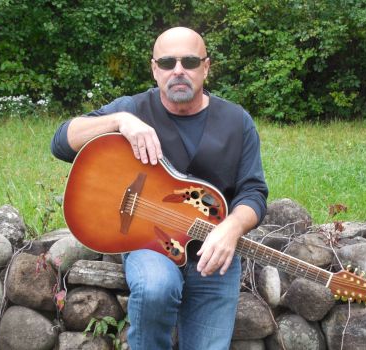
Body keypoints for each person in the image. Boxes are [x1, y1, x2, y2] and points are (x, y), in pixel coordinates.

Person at [51, 27, 268, 350]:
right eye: (167, 62)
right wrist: (119, 121)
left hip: (213, 254)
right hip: (148, 244)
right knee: (155, 286)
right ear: (155, 69)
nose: (178, 70)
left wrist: (232, 228)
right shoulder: (134, 109)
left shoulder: (237, 122)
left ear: (206, 67)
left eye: (189, 61)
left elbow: (253, 191)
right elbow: (61, 142)